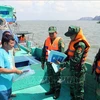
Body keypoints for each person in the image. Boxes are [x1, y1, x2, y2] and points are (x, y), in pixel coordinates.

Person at [57, 25, 90, 100]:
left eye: (71, 35)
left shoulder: (80, 45)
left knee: (78, 89)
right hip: (72, 70)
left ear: (76, 34)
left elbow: (75, 61)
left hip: (79, 71)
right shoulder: (73, 41)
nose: (70, 37)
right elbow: (68, 53)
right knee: (72, 86)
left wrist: (62, 64)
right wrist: (60, 57)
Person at [41, 26, 65, 99]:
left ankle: (57, 92)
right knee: (50, 77)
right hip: (48, 63)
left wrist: (61, 65)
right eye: (50, 33)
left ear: (56, 33)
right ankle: (52, 89)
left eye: (52, 33)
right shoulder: (46, 40)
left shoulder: (60, 41)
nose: (51, 35)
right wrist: (42, 62)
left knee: (57, 78)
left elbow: (62, 54)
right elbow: (43, 52)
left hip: (56, 63)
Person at [0, 34, 22, 100]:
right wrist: (14, 71)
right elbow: (0, 70)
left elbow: (10, 66)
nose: (13, 45)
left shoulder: (8, 52)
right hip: (2, 88)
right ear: (5, 43)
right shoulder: (1, 53)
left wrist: (20, 71)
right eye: (11, 43)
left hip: (8, 85)